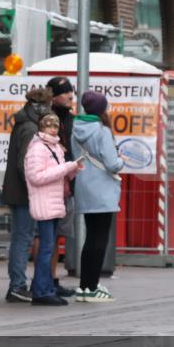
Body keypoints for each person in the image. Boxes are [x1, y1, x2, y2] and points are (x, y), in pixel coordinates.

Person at [23, 113, 83, 306]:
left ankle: (46, 288)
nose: (53, 129)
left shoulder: (55, 147)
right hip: (44, 204)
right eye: (48, 126)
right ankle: (41, 292)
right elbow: (36, 177)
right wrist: (66, 168)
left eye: (55, 126)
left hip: (54, 202)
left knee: (50, 248)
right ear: (41, 128)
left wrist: (73, 169)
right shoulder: (37, 148)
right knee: (46, 249)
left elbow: (59, 174)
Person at [1, 87, 53, 303]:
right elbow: (26, 163)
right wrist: (35, 186)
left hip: (19, 190)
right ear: (41, 107)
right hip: (24, 193)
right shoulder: (31, 128)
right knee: (23, 238)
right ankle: (17, 285)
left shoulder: (25, 123)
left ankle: (17, 284)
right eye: (48, 106)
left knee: (22, 237)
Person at [72, 91, 125, 302]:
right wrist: (121, 160)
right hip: (103, 190)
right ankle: (92, 287)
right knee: (100, 239)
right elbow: (112, 164)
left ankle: (84, 286)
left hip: (84, 187)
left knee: (90, 238)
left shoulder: (76, 128)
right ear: (102, 109)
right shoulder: (102, 131)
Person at [45, 76, 78, 298]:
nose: (70, 96)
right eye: (66, 92)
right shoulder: (48, 120)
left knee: (58, 236)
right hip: (52, 184)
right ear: (54, 96)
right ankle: (45, 280)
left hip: (67, 182)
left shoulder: (72, 120)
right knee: (47, 235)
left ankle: (52, 279)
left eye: (71, 92)